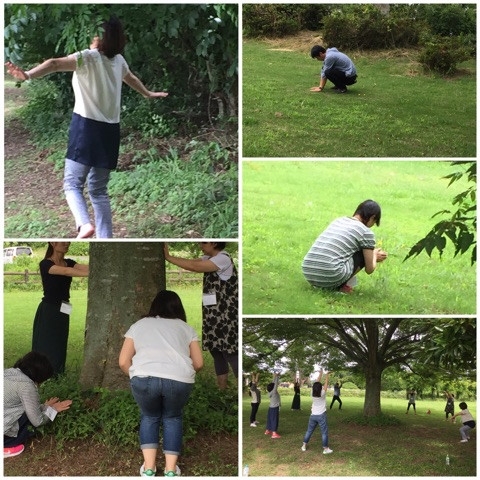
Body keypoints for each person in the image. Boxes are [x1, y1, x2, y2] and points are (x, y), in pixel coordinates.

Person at [5, 16, 168, 238]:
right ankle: (105, 237)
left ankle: (84, 224)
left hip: (86, 128)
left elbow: (54, 64)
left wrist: (27, 75)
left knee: (72, 184)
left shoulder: (87, 58)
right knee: (99, 190)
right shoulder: (118, 61)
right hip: (111, 132)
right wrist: (148, 93)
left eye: (94, 32)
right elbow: (130, 78)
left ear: (100, 37)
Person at [118, 290, 204, 477]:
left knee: (149, 417)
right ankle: (171, 470)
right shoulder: (186, 328)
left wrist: (134, 376)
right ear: (178, 308)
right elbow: (198, 363)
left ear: (154, 306)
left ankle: (149, 469)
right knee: (173, 418)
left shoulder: (139, 325)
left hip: (144, 378)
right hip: (179, 380)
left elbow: (123, 362)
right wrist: (182, 374)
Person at [164, 242, 238, 390]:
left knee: (230, 352)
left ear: (215, 243)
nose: (200, 245)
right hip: (213, 315)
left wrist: (168, 257)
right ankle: (222, 389)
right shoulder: (209, 258)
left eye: (204, 242)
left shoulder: (223, 258)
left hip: (226, 316)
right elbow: (192, 262)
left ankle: (242, 390)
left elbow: (195, 267)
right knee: (216, 351)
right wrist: (170, 256)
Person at [302, 200, 387, 293]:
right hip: (330, 274)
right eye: (374, 222)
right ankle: (338, 285)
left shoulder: (339, 220)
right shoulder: (365, 232)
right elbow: (369, 269)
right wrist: (374, 255)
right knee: (364, 252)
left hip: (308, 272)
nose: (372, 226)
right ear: (373, 217)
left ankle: (330, 282)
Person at [32, 242, 89, 375]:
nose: (66, 243)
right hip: (49, 308)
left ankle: (57, 372)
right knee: (46, 342)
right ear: (52, 243)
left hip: (65, 307)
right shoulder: (45, 264)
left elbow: (85, 267)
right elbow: (65, 272)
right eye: (63, 241)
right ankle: (41, 372)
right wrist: (90, 274)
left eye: (68, 241)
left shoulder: (69, 262)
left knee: (61, 340)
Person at [4, 352, 72, 458]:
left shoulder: (8, 373)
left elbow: (14, 406)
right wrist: (53, 410)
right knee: (29, 424)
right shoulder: (27, 385)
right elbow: (37, 421)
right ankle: (7, 445)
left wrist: (43, 406)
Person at [301, 369, 333, 454]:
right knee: (324, 433)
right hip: (321, 415)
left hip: (313, 415)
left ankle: (304, 445)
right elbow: (325, 385)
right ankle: (325, 449)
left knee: (309, 431)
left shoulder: (312, 393)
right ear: (320, 388)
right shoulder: (322, 393)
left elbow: (317, 383)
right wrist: (326, 375)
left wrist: (320, 373)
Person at [265, 373, 281, 439]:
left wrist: (274, 377)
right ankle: (274, 433)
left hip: (270, 408)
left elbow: (273, 384)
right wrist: (277, 377)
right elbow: (275, 384)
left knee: (270, 419)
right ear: (273, 388)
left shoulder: (270, 392)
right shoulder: (274, 392)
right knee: (274, 420)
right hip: (274, 408)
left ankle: (267, 430)